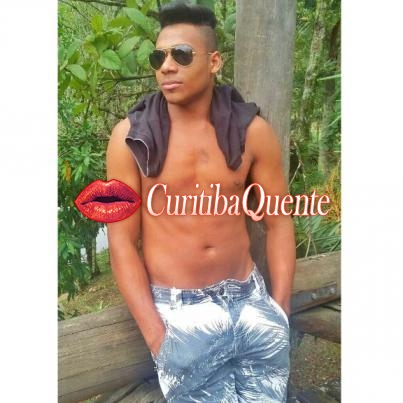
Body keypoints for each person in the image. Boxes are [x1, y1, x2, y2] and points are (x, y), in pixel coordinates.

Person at [106, 2, 296, 402]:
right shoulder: (132, 139)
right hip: (179, 314)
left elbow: (278, 222)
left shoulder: (251, 132)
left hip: (250, 300)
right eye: (159, 57)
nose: (166, 67)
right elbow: (121, 243)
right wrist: (157, 337)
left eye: (182, 55)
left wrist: (279, 313)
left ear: (213, 62)